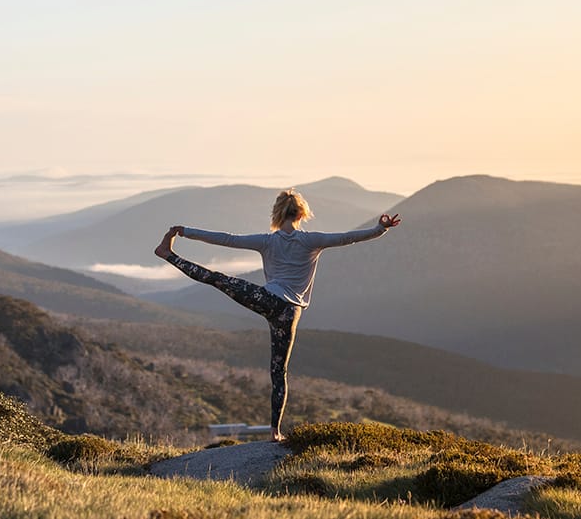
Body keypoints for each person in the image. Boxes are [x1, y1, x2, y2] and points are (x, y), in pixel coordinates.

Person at [154, 189, 401, 442]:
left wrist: (185, 231)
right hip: (290, 314)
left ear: (277, 213)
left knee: (219, 279)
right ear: (302, 213)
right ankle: (275, 431)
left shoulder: (267, 241)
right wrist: (380, 229)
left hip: (269, 301)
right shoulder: (311, 240)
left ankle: (167, 255)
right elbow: (348, 237)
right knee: (279, 371)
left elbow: (226, 239)